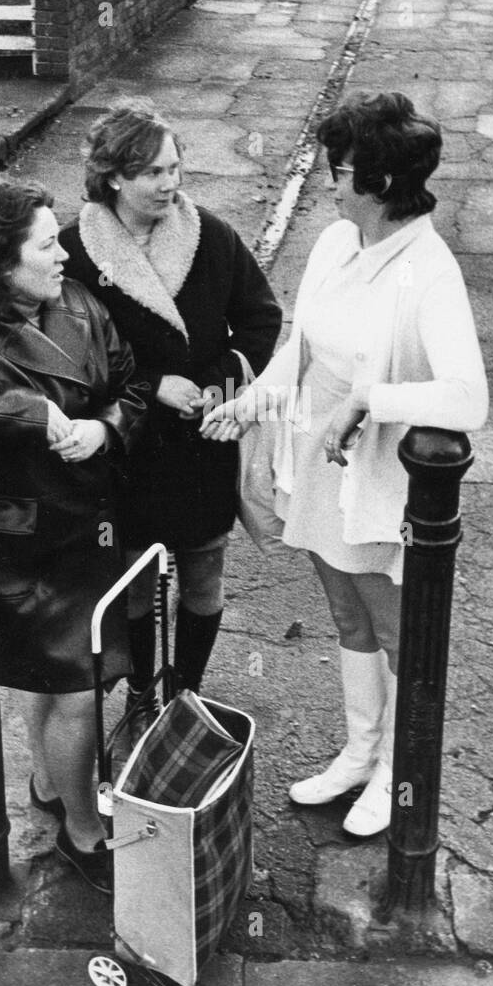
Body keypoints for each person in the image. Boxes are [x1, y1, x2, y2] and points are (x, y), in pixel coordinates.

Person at [202, 91, 489, 836]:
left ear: (380, 184)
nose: (329, 180)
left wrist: (368, 397)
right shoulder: (336, 241)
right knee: (343, 613)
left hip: (379, 475)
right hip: (318, 462)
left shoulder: (428, 271)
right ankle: (359, 752)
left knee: (395, 629)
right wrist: (252, 402)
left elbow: (468, 397)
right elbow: (298, 348)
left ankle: (396, 770)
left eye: (340, 169)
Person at [0, 176, 149, 892]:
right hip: (23, 540)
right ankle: (81, 829)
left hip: (87, 526)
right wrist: (34, 413)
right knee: (76, 688)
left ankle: (51, 785)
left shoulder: (74, 302)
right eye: (46, 245)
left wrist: (105, 429)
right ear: (1, 259)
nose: (62, 256)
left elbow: (129, 385)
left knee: (58, 680)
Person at [59, 98, 282, 739]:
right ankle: (139, 693)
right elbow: (72, 357)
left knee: (203, 572)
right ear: (113, 178)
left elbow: (262, 318)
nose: (169, 184)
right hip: (127, 446)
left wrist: (216, 382)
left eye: (174, 168)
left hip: (201, 442)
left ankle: (187, 695)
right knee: (132, 577)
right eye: (152, 173)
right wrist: (154, 385)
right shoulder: (77, 251)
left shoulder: (210, 237)